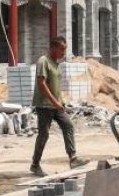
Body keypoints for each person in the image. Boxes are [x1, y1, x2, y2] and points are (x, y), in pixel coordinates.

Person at [29, 36, 87, 177]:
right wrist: (55, 102)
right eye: (62, 50)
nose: (63, 53)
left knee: (68, 126)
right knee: (44, 134)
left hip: (56, 105)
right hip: (44, 105)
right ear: (53, 48)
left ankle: (73, 158)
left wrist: (60, 102)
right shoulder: (43, 61)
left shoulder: (56, 64)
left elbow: (55, 87)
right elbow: (41, 84)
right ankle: (35, 165)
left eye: (64, 50)